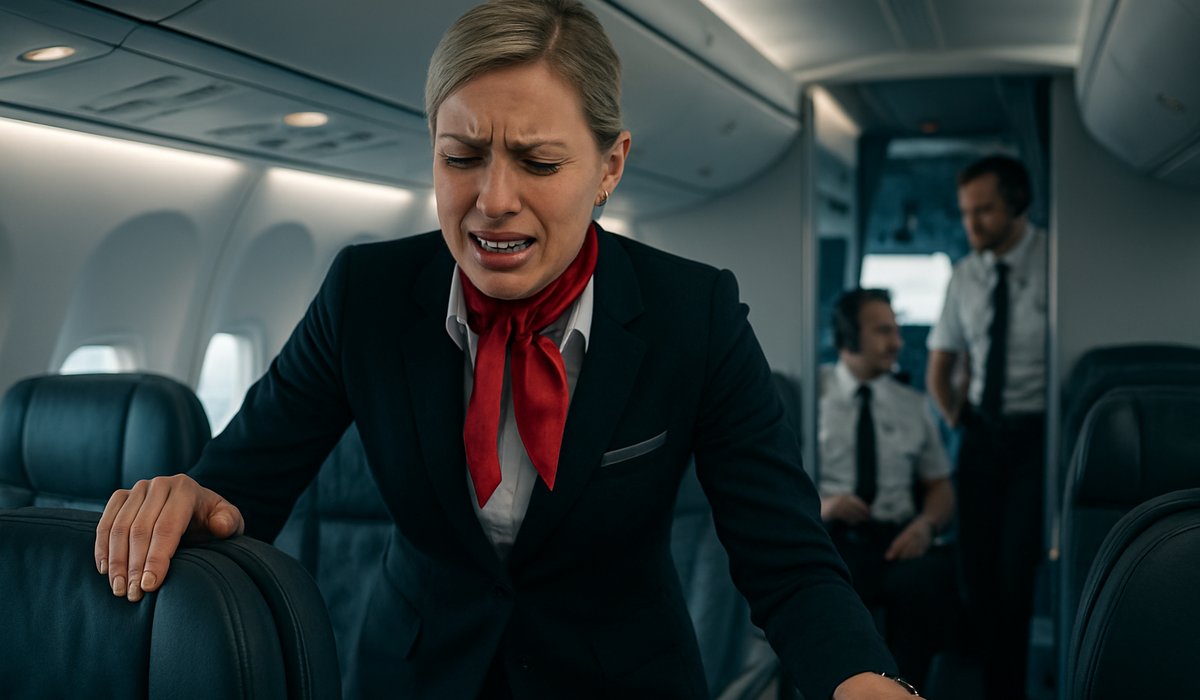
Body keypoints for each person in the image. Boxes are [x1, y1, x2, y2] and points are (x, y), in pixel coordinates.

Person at [93, 2, 923, 697]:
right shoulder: (366, 297)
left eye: (539, 162)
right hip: (415, 676)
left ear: (610, 166)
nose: (493, 200)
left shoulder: (691, 314)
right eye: (461, 157)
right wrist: (186, 497)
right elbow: (241, 486)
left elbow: (787, 561)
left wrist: (862, 680)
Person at [926, 155, 1046, 699]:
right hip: (979, 434)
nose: (971, 224)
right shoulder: (964, 275)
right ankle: (972, 677)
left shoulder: (1055, 260)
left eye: (985, 211)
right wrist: (956, 419)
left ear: (1017, 204)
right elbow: (941, 364)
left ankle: (1007, 689)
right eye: (966, 212)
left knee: (1015, 574)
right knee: (973, 570)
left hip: (1036, 435)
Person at [819, 288, 956, 689]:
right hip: (831, 539)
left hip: (896, 540)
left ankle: (905, 691)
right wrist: (825, 505)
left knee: (928, 583)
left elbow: (940, 486)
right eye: (883, 331)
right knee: (827, 597)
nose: (897, 342)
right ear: (848, 335)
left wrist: (926, 526)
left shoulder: (913, 404)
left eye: (896, 330)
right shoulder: (812, 394)